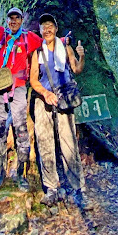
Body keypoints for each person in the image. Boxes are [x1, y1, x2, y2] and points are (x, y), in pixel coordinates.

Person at [0, 0, 42, 192]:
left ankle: (21, 173)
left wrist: (63, 42)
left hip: (19, 88)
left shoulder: (28, 37)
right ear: (7, 20)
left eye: (17, 18)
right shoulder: (1, 35)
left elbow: (46, 43)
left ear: (22, 20)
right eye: (10, 18)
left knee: (21, 130)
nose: (13, 21)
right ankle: (0, 173)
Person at [29, 13, 88, 209]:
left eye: (50, 26)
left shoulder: (65, 48)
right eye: (43, 26)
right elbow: (33, 80)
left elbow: (77, 69)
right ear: (40, 31)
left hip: (64, 100)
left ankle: (78, 189)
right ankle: (51, 188)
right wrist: (46, 94)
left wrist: (81, 55)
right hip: (43, 101)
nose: (47, 29)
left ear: (56, 29)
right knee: (44, 143)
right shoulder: (37, 52)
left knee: (69, 143)